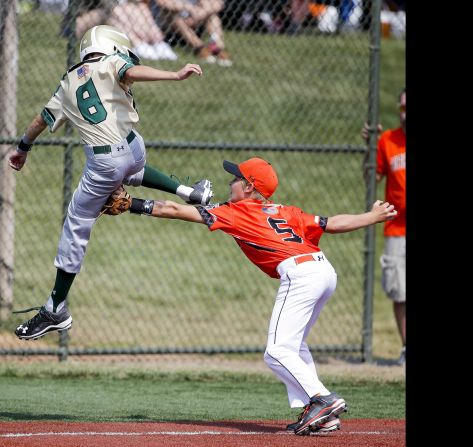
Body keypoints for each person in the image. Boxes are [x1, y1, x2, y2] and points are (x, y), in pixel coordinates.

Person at [116, 157, 397, 435]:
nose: (230, 181)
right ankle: (324, 417)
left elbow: (176, 210)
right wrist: (371, 217)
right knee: (294, 345)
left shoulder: (237, 211)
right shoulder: (285, 211)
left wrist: (133, 205)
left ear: (249, 187)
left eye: (236, 178)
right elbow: (332, 223)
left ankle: (323, 399)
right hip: (323, 270)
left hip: (300, 274)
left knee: (276, 351)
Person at [8, 25, 214, 340]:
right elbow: (132, 70)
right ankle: (189, 191)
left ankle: (55, 307)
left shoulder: (67, 82)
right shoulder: (110, 62)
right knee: (129, 168)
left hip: (104, 161)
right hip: (133, 147)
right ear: (111, 47)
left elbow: (40, 121)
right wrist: (173, 74)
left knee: (76, 224)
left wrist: (23, 148)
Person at [362, 87, 406, 365]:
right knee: (400, 290)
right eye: (402, 107)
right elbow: (371, 179)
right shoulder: (388, 140)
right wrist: (368, 146)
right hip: (397, 229)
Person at [154, 0, 233, 66]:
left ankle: (217, 48)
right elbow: (163, 2)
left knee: (213, 15)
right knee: (170, 14)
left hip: (193, 20)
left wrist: (201, 14)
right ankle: (200, 48)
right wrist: (190, 8)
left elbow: (219, 4)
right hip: (168, 26)